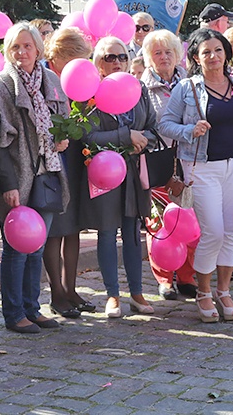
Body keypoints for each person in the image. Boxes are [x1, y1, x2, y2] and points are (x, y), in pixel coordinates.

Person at [159, 29, 233, 322]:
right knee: (213, 232)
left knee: (230, 232)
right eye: (206, 52)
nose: (213, 57)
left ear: (226, 53)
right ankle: (203, 291)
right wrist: (188, 131)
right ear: (196, 57)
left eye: (218, 50)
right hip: (201, 167)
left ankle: (224, 290)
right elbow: (164, 124)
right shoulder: (187, 88)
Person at [0, 23, 69, 333]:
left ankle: (33, 307)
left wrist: (63, 140)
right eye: (15, 47)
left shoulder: (51, 80)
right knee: (16, 246)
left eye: (27, 46)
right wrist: (8, 184)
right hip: (17, 175)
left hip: (47, 173)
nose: (21, 52)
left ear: (38, 49)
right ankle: (14, 312)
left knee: (36, 246)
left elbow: (61, 122)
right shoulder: (1, 85)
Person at [81, 37, 156, 318]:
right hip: (104, 172)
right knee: (107, 232)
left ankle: (137, 293)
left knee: (133, 232)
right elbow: (88, 136)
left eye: (122, 57)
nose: (116, 63)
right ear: (97, 63)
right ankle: (112, 294)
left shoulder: (140, 90)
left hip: (134, 171)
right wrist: (126, 136)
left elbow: (152, 128)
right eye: (109, 58)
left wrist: (142, 139)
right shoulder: (89, 94)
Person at [141, 30, 197, 300]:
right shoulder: (141, 87)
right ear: (149, 57)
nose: (164, 57)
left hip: (188, 160)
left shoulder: (192, 83)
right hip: (157, 160)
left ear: (178, 55)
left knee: (189, 220)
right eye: (157, 53)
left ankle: (187, 276)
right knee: (160, 222)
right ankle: (165, 279)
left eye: (168, 52)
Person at [43, 27, 95, 316]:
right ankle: (56, 293)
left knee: (73, 226)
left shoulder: (77, 78)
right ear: (59, 56)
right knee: (56, 229)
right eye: (76, 58)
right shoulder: (45, 78)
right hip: (52, 158)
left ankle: (71, 288)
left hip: (76, 157)